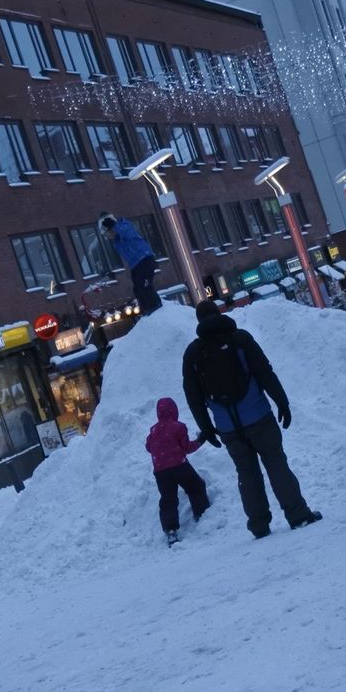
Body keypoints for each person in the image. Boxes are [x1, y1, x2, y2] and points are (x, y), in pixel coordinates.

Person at [182, 300, 321, 539]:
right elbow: (264, 372)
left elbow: (193, 396)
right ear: (219, 313)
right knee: (276, 463)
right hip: (258, 417)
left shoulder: (193, 354)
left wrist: (206, 428)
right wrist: (282, 402)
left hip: (228, 427)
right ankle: (297, 514)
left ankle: (258, 525)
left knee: (246, 472)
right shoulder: (240, 339)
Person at [145, 397, 211, 546]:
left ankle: (171, 531)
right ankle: (202, 514)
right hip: (179, 466)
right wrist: (200, 440)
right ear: (174, 411)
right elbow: (187, 448)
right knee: (196, 487)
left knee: (168, 500)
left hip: (161, 472)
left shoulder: (153, 431)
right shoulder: (178, 427)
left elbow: (148, 447)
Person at [98, 213, 162, 315]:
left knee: (143, 284)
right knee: (136, 288)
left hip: (145, 259)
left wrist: (114, 225)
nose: (108, 237)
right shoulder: (117, 241)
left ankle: (155, 305)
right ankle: (145, 310)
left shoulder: (124, 227)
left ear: (110, 229)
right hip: (136, 264)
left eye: (107, 234)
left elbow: (127, 232)